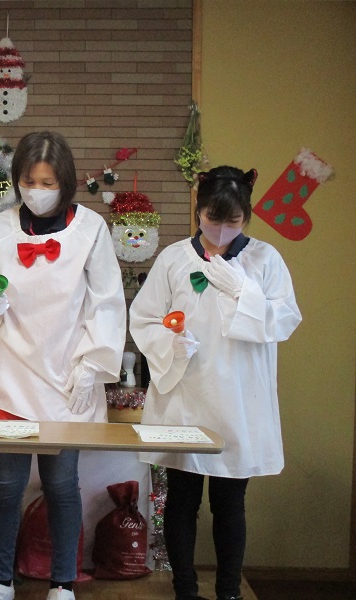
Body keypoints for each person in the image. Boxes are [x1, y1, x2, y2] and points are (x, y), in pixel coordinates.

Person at [0, 131, 127, 600]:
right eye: (28, 181)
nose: (36, 190)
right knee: (4, 485)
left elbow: (107, 302)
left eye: (47, 182)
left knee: (61, 484)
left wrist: (92, 365)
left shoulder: (90, 229)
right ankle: (0, 580)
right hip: (8, 371)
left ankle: (62, 582)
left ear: (66, 182)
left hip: (65, 372)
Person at [129, 166, 302, 600]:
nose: (221, 229)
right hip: (184, 395)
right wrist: (171, 342)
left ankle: (229, 591)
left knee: (229, 502)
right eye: (212, 218)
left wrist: (245, 292)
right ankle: (185, 590)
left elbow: (285, 319)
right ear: (198, 209)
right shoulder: (173, 259)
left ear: (247, 217)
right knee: (182, 498)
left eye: (233, 221)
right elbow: (144, 318)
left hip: (239, 399)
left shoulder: (265, 260)